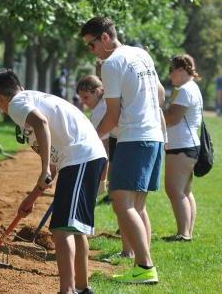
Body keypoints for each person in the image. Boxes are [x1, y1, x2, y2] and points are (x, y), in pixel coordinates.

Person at [0, 71, 106, 294]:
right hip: (85, 157)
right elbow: (52, 167)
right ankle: (82, 288)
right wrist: (32, 197)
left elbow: (40, 123)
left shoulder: (16, 104)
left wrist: (43, 169)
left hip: (80, 157)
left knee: (62, 229)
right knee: (75, 228)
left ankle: (67, 290)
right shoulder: (32, 98)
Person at [80, 16, 164, 284]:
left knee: (121, 202)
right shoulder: (141, 54)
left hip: (134, 137)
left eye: (91, 45)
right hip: (154, 136)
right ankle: (142, 264)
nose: (91, 51)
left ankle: (145, 265)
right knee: (137, 206)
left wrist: (91, 138)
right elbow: (160, 95)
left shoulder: (112, 63)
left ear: (105, 37)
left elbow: (113, 116)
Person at [77, 75, 134, 261]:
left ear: (98, 91)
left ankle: (129, 251)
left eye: (86, 97)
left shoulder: (101, 110)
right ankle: (128, 251)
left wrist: (102, 174)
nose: (83, 102)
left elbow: (103, 147)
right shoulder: (100, 107)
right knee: (128, 204)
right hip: (127, 145)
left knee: (123, 204)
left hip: (124, 148)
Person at [162, 54, 202, 241]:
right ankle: (187, 232)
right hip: (188, 145)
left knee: (174, 189)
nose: (170, 75)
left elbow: (172, 117)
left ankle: (183, 233)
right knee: (184, 191)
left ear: (181, 69)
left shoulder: (186, 90)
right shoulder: (191, 88)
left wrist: (154, 111)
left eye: (171, 70)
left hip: (182, 146)